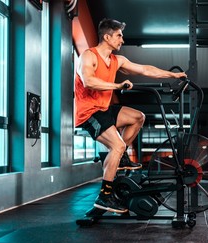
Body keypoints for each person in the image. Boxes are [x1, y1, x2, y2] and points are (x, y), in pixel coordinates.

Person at [74, 18, 187, 214]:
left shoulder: (117, 61)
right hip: (88, 113)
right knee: (116, 146)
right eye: (119, 35)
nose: (122, 40)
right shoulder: (88, 56)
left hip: (104, 109)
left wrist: (173, 76)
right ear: (107, 37)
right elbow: (89, 81)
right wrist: (117, 86)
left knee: (138, 117)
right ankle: (105, 196)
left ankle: (121, 157)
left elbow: (145, 69)